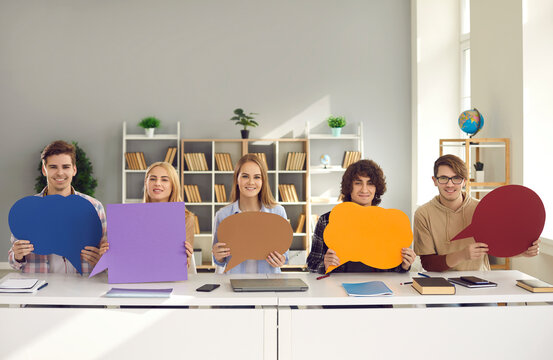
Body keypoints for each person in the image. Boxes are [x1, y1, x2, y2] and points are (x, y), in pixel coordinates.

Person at [414, 154, 540, 271]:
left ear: (464, 181)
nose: (450, 184)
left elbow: (500, 245)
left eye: (456, 178)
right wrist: (462, 255)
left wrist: (523, 251)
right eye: (443, 178)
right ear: (435, 180)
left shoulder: (483, 208)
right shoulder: (423, 214)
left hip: (481, 283)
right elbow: (428, 263)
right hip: (441, 285)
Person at [8, 140, 107, 273]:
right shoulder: (27, 210)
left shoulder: (95, 206)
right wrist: (18, 255)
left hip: (83, 286)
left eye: (66, 167)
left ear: (74, 169)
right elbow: (13, 262)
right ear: (44, 170)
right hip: (40, 287)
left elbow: (107, 253)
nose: (60, 173)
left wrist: (102, 261)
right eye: (53, 167)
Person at [307, 159, 416, 274]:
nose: (364, 189)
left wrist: (404, 265)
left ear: (376, 188)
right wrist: (324, 264)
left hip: (379, 287)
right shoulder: (327, 220)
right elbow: (311, 264)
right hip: (337, 288)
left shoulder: (387, 222)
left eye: (370, 183)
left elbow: (392, 266)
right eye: (358, 183)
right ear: (349, 187)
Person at [101, 161, 196, 272]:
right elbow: (122, 258)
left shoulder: (185, 218)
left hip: (170, 279)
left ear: (173, 185)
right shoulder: (129, 216)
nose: (157, 183)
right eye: (152, 179)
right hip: (136, 277)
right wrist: (107, 254)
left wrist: (186, 258)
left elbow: (184, 263)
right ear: (146, 183)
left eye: (164, 179)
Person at [212, 154, 288, 273]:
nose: (251, 182)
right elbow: (219, 261)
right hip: (234, 285)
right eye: (245, 176)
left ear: (263, 181)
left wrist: (281, 260)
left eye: (257, 177)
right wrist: (218, 256)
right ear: (237, 179)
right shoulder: (223, 215)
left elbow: (285, 256)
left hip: (268, 284)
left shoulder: (278, 212)